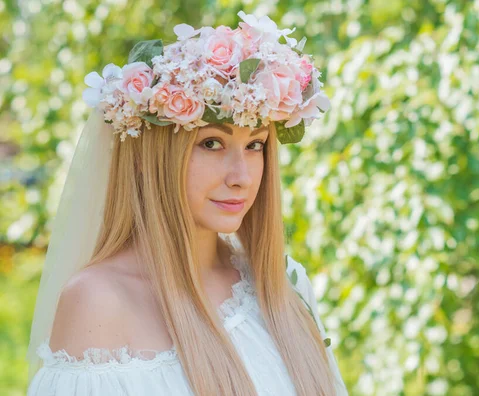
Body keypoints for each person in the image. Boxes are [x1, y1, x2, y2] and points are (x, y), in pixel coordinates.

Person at [26, 11, 347, 396]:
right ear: (153, 158)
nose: (241, 176)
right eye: (211, 143)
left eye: (254, 145)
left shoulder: (281, 282)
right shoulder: (98, 304)